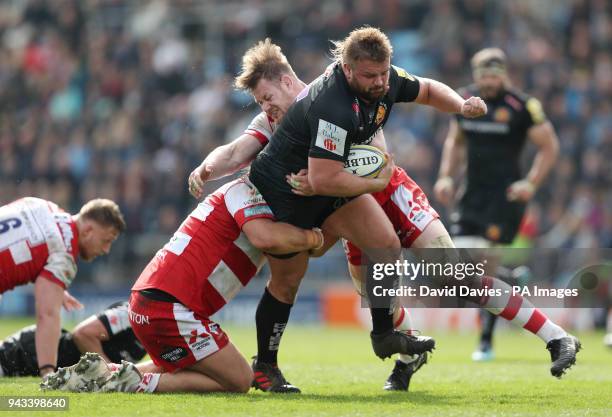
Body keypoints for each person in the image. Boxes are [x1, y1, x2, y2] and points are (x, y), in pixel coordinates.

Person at [246, 27, 578, 381]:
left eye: (383, 73)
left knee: (454, 276)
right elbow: (268, 160)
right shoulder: (324, 105)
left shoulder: (378, 83)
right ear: (346, 68)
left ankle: (556, 337)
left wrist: (460, 105)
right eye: (370, 76)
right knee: (378, 292)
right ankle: (405, 357)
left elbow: (430, 89)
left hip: (389, 189)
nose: (379, 82)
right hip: (348, 201)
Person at [188, 38, 438, 392]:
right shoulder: (268, 123)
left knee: (385, 243)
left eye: (267, 98)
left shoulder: (337, 97)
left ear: (287, 82)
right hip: (289, 203)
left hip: (331, 194)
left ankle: (384, 333)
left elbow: (374, 135)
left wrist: (375, 169)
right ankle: (266, 366)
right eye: (260, 102)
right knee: (287, 282)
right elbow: (235, 151)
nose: (266, 107)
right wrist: (206, 168)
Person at [42, 176, 326, 393]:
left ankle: (104, 374)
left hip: (153, 300)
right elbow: (267, 238)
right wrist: (313, 238)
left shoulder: (245, 196)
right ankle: (134, 383)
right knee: (239, 379)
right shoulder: (245, 192)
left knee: (179, 364)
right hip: (169, 304)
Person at [434, 48, 560, 361]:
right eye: (484, 75)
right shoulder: (465, 101)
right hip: (471, 195)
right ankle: (513, 278)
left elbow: (549, 146)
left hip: (504, 200)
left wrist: (530, 183)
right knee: (460, 272)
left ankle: (486, 340)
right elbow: (455, 141)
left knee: (483, 273)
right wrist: (446, 176)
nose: (489, 81)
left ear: (504, 75)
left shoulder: (522, 106)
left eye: (495, 75)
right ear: (475, 76)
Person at [0, 197, 125, 378]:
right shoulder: (65, 253)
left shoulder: (44, 205)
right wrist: (48, 371)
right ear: (88, 230)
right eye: (106, 240)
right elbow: (47, 314)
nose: (106, 249)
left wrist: (53, 286)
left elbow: (19, 242)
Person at [0, 301, 146, 377]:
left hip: (43, 367)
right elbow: (82, 334)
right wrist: (110, 372)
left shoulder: (155, 337)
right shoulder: (131, 312)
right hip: (27, 352)